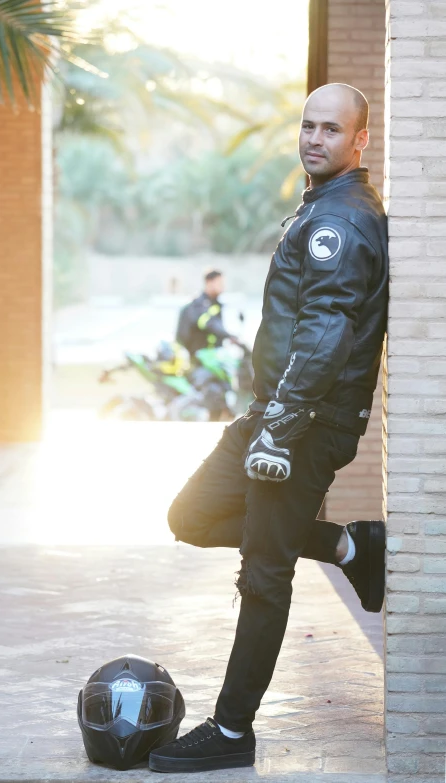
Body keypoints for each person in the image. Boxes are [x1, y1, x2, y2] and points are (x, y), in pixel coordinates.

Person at [149, 83, 389, 774]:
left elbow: (325, 334)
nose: (314, 138)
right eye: (308, 126)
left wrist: (278, 433)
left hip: (303, 423)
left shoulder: (338, 224)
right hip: (276, 411)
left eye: (331, 129)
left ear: (359, 140)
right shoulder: (325, 204)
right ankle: (350, 546)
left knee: (264, 571)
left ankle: (230, 730)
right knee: (191, 514)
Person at [175, 270, 236, 357]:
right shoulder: (199, 305)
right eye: (220, 283)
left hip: (213, 357)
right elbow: (209, 323)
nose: (223, 287)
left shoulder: (216, 304)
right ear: (209, 282)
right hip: (199, 358)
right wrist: (229, 336)